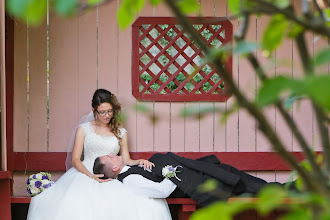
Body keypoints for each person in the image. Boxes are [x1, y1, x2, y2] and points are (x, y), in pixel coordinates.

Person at [27, 89, 172, 220]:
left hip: (110, 175)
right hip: (84, 173)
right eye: (102, 112)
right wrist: (90, 176)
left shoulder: (120, 132)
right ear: (94, 110)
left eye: (109, 111)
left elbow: (126, 160)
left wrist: (139, 161)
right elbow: (76, 160)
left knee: (135, 204)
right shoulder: (84, 129)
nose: (106, 115)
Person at [94, 152, 297, 207]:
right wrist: (171, 170)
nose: (113, 154)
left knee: (250, 184)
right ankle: (295, 190)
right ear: (113, 167)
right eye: (110, 157)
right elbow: (162, 191)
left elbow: (154, 173)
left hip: (202, 175)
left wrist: (153, 164)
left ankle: (293, 189)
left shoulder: (133, 168)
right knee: (251, 186)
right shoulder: (130, 181)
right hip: (199, 186)